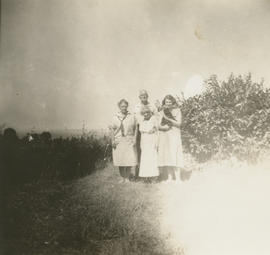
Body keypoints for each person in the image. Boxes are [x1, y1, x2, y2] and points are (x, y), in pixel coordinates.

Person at [110, 99, 138, 183]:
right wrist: (113, 141)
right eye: (122, 106)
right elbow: (112, 130)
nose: (124, 108)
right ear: (119, 107)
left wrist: (135, 139)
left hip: (129, 139)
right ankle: (122, 177)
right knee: (120, 159)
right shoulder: (115, 117)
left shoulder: (131, 116)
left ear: (127, 106)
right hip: (119, 140)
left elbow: (136, 128)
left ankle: (127, 177)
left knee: (129, 159)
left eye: (125, 106)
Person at [134, 90, 160, 179]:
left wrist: (154, 127)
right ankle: (141, 174)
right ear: (139, 97)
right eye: (141, 96)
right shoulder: (137, 107)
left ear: (147, 96)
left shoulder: (152, 106)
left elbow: (157, 117)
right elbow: (136, 119)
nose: (143, 97)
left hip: (151, 132)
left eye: (145, 95)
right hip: (141, 131)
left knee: (152, 153)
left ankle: (153, 174)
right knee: (140, 153)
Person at [158, 95, 184, 182]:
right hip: (165, 135)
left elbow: (179, 124)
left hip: (174, 134)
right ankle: (169, 177)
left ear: (173, 102)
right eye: (166, 102)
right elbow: (158, 124)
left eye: (169, 102)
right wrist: (162, 127)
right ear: (164, 103)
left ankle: (178, 178)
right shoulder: (162, 111)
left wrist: (167, 118)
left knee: (175, 155)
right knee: (168, 155)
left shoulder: (177, 111)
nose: (168, 104)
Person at [137, 105, 159, 182]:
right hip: (144, 140)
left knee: (152, 157)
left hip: (151, 140)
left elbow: (156, 129)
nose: (146, 114)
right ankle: (146, 177)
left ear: (150, 112)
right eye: (144, 113)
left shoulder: (153, 119)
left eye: (147, 112)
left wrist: (153, 130)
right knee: (145, 158)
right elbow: (141, 131)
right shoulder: (142, 121)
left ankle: (153, 177)